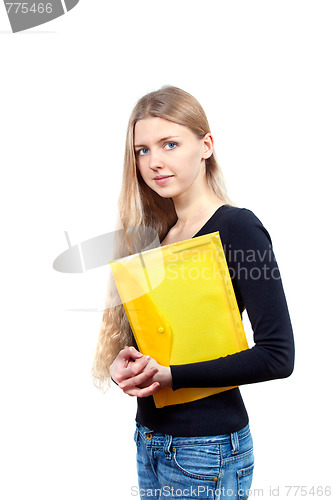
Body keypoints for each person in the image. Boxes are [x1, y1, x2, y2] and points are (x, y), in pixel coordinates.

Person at [92, 85, 295, 499]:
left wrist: (172, 378)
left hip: (207, 449)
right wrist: (122, 369)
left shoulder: (238, 228)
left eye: (170, 144)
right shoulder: (158, 237)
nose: (154, 162)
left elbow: (278, 355)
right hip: (150, 440)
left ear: (206, 146)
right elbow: (161, 344)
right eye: (142, 150)